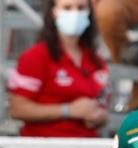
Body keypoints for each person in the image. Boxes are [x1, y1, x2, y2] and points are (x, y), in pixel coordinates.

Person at [7, 0, 108, 137]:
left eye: (81, 8)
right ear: (53, 12)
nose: (75, 13)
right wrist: (68, 110)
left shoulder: (97, 61)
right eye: (67, 8)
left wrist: (99, 117)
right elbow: (17, 109)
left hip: (87, 146)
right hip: (42, 147)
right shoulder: (35, 56)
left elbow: (102, 109)